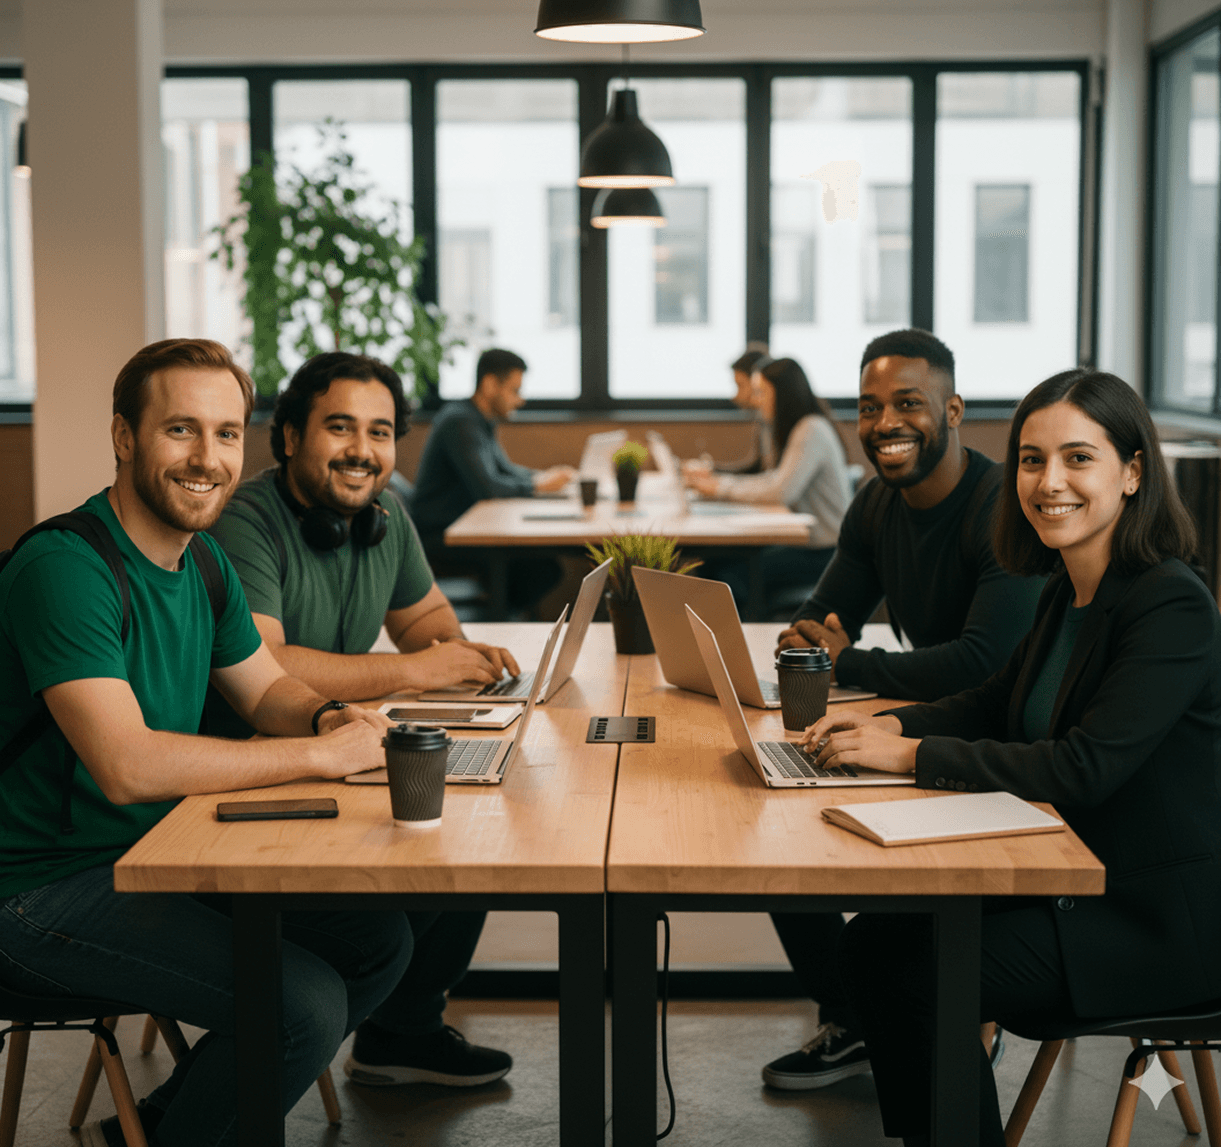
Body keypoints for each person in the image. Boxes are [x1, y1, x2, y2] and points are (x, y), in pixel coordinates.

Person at [0, 339, 411, 1147]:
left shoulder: (204, 565)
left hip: (148, 862)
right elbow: (128, 766)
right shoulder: (67, 566)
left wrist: (331, 717)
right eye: (180, 429)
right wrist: (321, 755)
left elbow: (266, 690)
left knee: (374, 941)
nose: (208, 457)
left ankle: (163, 1127)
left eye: (226, 433)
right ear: (125, 437)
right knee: (302, 1004)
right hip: (31, 894)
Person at [801, 368, 1221, 1147]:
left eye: (1077, 458)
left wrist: (912, 755)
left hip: (1148, 918)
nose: (1047, 481)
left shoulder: (1169, 602)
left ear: (1132, 473)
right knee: (870, 945)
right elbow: (994, 703)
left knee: (918, 972)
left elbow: (1081, 767)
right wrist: (881, 728)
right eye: (1030, 459)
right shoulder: (1068, 589)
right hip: (1070, 877)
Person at [207, 350, 516, 1090]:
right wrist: (418, 670)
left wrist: (462, 654)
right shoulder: (246, 521)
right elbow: (269, 663)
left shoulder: (384, 516)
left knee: (466, 829)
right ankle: (375, 1024)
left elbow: (428, 621)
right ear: (286, 437)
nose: (362, 450)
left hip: (338, 750)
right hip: (253, 776)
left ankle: (400, 1030)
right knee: (425, 862)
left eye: (379, 432)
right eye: (339, 427)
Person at [760, 329, 1045, 1092]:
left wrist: (845, 660)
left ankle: (910, 1012)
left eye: (908, 403)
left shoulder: (997, 509)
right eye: (869, 405)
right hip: (921, 725)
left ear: (951, 410)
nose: (885, 421)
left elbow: (980, 663)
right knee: (775, 830)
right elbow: (818, 617)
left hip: (997, 755)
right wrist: (810, 638)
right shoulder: (874, 505)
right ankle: (858, 1016)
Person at [409, 348, 575, 613]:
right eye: (515, 390)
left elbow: (504, 470)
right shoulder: (460, 422)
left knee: (542, 566)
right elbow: (488, 487)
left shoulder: (479, 420)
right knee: (542, 569)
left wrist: (542, 477)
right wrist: (538, 485)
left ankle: (500, 614)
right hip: (443, 535)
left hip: (467, 528)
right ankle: (496, 617)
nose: (519, 400)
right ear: (489, 385)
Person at [685, 356, 851, 609]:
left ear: (783, 394)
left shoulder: (811, 430)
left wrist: (719, 487)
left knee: (731, 577)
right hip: (804, 542)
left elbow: (780, 491)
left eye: (762, 392)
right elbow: (769, 478)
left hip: (823, 552)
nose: (755, 400)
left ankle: (740, 640)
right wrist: (719, 484)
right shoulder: (789, 427)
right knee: (711, 564)